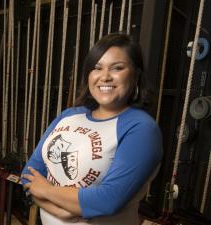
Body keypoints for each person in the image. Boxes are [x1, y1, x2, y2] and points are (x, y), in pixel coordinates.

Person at [21, 33, 162, 225]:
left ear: (136, 75)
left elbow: (107, 200)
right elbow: (29, 175)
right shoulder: (69, 115)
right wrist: (60, 212)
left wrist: (46, 190)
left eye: (117, 68)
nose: (105, 77)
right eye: (97, 68)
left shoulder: (142, 129)